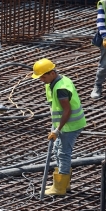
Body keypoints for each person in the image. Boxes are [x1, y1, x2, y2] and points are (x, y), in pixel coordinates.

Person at [32, 58, 86, 196]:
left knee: (63, 153)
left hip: (70, 125)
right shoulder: (53, 82)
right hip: (63, 124)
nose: (41, 79)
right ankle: (63, 183)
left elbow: (67, 111)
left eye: (43, 76)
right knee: (57, 150)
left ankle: (60, 188)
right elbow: (54, 106)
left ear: (52, 73)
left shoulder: (61, 88)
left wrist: (57, 129)